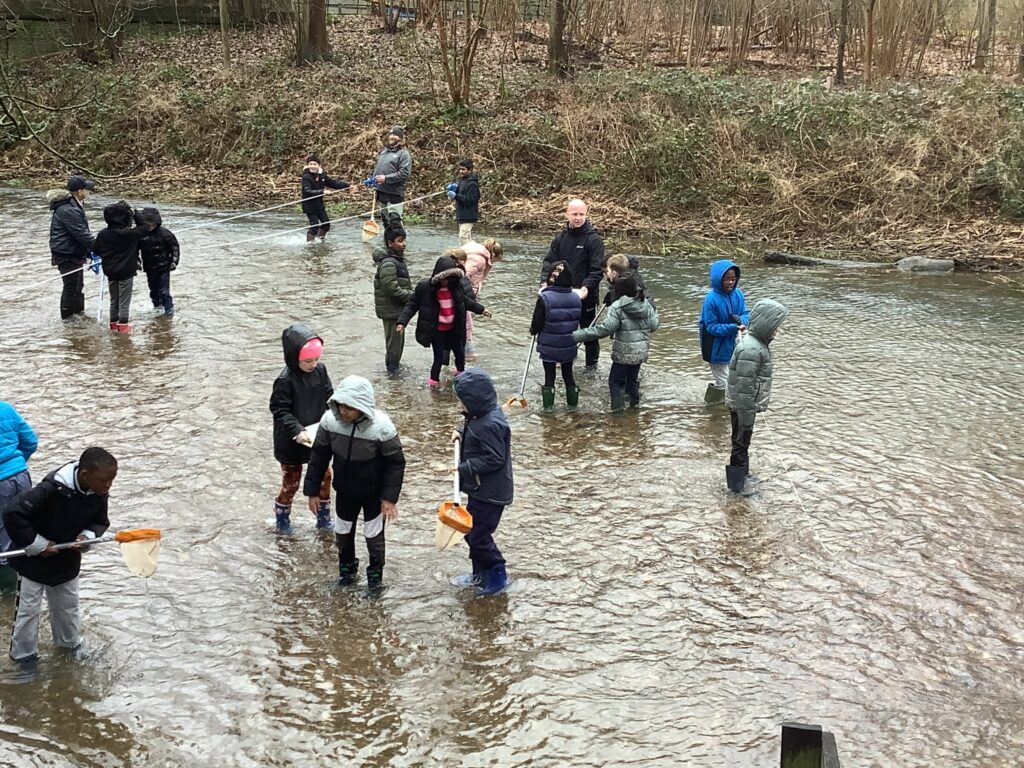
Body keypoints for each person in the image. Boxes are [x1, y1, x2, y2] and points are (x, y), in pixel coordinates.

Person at [2, 447, 116, 663]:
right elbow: (13, 514)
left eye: (111, 480)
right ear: (85, 475)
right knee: (27, 612)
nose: (108, 485)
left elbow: (100, 522)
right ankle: (23, 657)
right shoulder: (52, 489)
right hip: (32, 563)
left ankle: (69, 648)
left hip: (66, 562)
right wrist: (37, 543)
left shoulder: (99, 494)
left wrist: (86, 537)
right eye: (104, 480)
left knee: (68, 608)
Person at [304, 376, 405, 589]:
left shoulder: (382, 428)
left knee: (373, 537)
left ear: (363, 407)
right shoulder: (329, 422)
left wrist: (389, 499)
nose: (344, 411)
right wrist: (312, 491)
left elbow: (396, 464)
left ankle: (375, 582)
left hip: (373, 494)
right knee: (342, 534)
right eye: (341, 406)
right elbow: (318, 457)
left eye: (350, 407)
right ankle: (346, 576)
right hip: (344, 491)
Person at [451, 368, 513, 596]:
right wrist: (460, 432)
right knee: (470, 531)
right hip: (479, 490)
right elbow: (472, 433)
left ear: (475, 401)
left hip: (492, 493)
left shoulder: (489, 424)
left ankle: (498, 573)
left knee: (478, 535)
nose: (462, 406)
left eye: (464, 402)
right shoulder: (478, 417)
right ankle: (479, 573)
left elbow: (495, 458)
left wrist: (464, 468)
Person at [269, 324, 334, 534]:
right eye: (308, 361)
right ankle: (282, 520)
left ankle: (323, 519)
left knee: (325, 477)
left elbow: (329, 395)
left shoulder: (321, 371)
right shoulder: (284, 380)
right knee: (292, 482)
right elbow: (279, 410)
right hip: (291, 441)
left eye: (316, 360)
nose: (313, 364)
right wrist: (297, 430)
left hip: (317, 436)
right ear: (293, 357)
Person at [396, 255, 491, 388]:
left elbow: (466, 302)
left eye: (449, 279)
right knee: (438, 357)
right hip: (437, 330)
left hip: (454, 328)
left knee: (459, 354)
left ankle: (461, 376)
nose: (446, 282)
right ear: (438, 277)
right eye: (444, 279)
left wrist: (481, 310)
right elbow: (412, 305)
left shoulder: (455, 288)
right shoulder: (425, 288)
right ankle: (433, 381)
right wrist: (402, 322)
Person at [725, 298, 788, 495]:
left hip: (746, 405)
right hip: (743, 406)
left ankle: (743, 475)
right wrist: (747, 413)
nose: (777, 331)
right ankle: (736, 487)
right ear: (765, 325)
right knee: (740, 442)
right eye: (775, 327)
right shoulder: (751, 349)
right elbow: (743, 386)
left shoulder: (755, 343)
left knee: (743, 442)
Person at [573, 272, 659, 411]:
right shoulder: (646, 304)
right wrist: (655, 313)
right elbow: (654, 326)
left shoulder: (618, 306)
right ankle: (634, 410)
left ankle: (617, 413)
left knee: (613, 381)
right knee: (632, 381)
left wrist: (577, 335)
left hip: (623, 353)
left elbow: (606, 329)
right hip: (640, 352)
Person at [539, 199, 605, 368]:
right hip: (562, 295)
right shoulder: (561, 238)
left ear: (586, 214)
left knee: (589, 332)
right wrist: (544, 283)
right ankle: (566, 361)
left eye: (581, 214)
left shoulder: (593, 239)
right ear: (567, 214)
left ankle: (592, 366)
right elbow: (548, 263)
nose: (578, 218)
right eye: (574, 214)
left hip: (586, 295)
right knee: (564, 330)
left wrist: (586, 287)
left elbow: (597, 269)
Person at [95, 200, 155, 333]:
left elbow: (97, 250)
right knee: (124, 301)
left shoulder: (103, 234)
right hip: (126, 272)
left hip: (110, 271)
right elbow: (145, 228)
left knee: (114, 299)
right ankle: (123, 326)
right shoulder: (129, 234)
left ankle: (113, 324)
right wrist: (135, 213)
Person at [529, 260, 582, 410]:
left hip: (549, 344)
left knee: (549, 376)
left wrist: (532, 330)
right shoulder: (576, 298)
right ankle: (573, 406)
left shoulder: (545, 298)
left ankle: (548, 409)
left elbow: (537, 322)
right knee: (568, 375)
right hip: (569, 343)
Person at [699, 259, 749, 400]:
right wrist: (733, 327)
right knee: (725, 382)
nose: (730, 282)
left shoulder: (738, 294)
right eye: (726, 279)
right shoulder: (711, 299)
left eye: (733, 279)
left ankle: (716, 408)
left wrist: (743, 322)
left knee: (733, 378)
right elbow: (711, 327)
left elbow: (746, 313)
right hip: (715, 346)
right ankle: (715, 408)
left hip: (733, 343)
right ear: (718, 279)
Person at [48, 176, 96, 321]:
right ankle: (68, 321)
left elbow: (82, 234)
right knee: (71, 287)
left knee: (78, 286)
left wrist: (90, 251)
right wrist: (102, 248)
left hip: (73, 252)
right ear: (80, 191)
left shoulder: (74, 205)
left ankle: (79, 315)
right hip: (66, 254)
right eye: (87, 189)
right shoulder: (69, 209)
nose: (89, 192)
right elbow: (82, 234)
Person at [373, 226, 414, 376]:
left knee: (396, 342)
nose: (404, 244)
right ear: (390, 243)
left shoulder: (395, 260)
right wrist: (411, 296)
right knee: (394, 344)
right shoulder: (389, 263)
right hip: (391, 310)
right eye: (400, 241)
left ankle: (393, 368)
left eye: (404, 240)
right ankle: (392, 372)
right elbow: (391, 288)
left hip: (396, 309)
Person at [0, 402, 38, 561]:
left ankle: (6, 574)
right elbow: (30, 441)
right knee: (25, 524)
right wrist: (18, 464)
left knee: (3, 533)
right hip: (21, 476)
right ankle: (24, 570)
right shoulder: (6, 408)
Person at [460, 238, 502, 357]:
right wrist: (469, 296)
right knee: (468, 322)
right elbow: (464, 276)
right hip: (465, 294)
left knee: (466, 320)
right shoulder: (479, 260)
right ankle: (467, 351)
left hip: (468, 293)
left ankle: (462, 348)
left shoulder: (477, 253)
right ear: (493, 254)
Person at [136, 207, 180, 316]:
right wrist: (137, 261)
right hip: (149, 268)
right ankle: (157, 308)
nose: (150, 226)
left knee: (164, 291)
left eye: (152, 223)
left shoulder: (165, 233)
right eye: (147, 223)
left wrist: (174, 262)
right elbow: (134, 250)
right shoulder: (140, 234)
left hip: (164, 267)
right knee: (154, 290)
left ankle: (169, 311)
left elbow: (175, 248)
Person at [301, 153, 351, 242]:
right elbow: (307, 190)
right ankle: (309, 244)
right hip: (309, 205)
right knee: (315, 226)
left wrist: (348, 186)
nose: (312, 166)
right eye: (310, 164)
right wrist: (322, 191)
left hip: (319, 204)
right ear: (308, 165)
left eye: (314, 164)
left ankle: (320, 241)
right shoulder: (306, 176)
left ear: (319, 165)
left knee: (326, 224)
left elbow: (333, 183)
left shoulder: (322, 175)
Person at [371, 126, 412, 228]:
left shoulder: (404, 154)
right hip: (381, 192)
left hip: (394, 193)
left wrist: (386, 178)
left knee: (395, 221)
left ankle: (400, 241)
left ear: (401, 138)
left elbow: (404, 173)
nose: (392, 137)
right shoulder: (384, 152)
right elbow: (377, 169)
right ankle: (388, 242)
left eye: (395, 135)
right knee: (386, 221)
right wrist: (372, 178)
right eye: (391, 134)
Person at [447, 158, 480, 244]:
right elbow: (458, 195)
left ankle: (467, 255)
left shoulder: (472, 184)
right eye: (460, 169)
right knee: (466, 238)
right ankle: (471, 254)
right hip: (461, 214)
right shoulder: (461, 181)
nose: (461, 171)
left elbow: (471, 200)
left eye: (463, 169)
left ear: (470, 170)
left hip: (468, 215)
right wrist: (453, 190)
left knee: (463, 238)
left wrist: (456, 196)